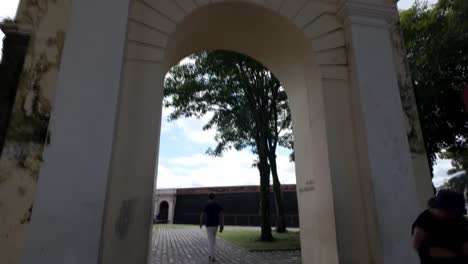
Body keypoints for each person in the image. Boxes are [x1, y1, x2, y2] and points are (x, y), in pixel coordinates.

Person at [412, 189, 468, 264]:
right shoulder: (424, 219)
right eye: (452, 214)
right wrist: (452, 255)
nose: (454, 216)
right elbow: (418, 246)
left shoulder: (459, 220)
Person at [200, 193, 224, 262]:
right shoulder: (217, 205)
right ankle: (210, 254)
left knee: (210, 241)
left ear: (208, 198)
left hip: (209, 225)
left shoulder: (207, 205)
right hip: (216, 225)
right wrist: (222, 225)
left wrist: (201, 223)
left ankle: (212, 257)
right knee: (213, 240)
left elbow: (202, 215)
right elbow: (221, 214)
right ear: (214, 198)